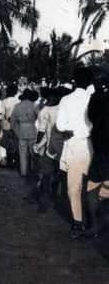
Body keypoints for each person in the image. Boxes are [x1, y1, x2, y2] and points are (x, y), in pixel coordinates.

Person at [56, 67, 94, 238]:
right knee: (92, 185)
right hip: (93, 144)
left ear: (74, 81)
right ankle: (93, 221)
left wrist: (70, 130)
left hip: (74, 145)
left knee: (74, 187)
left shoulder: (66, 99)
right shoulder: (93, 98)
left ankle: (78, 222)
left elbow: (60, 126)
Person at [83, 73, 109, 238]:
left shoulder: (97, 98)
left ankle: (94, 225)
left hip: (102, 146)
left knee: (92, 186)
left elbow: (91, 117)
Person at [11, 89, 39, 177]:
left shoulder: (17, 106)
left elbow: (13, 121)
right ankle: (33, 170)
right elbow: (40, 117)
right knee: (33, 152)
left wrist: (16, 131)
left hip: (21, 129)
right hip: (32, 129)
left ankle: (23, 171)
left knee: (22, 152)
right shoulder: (34, 105)